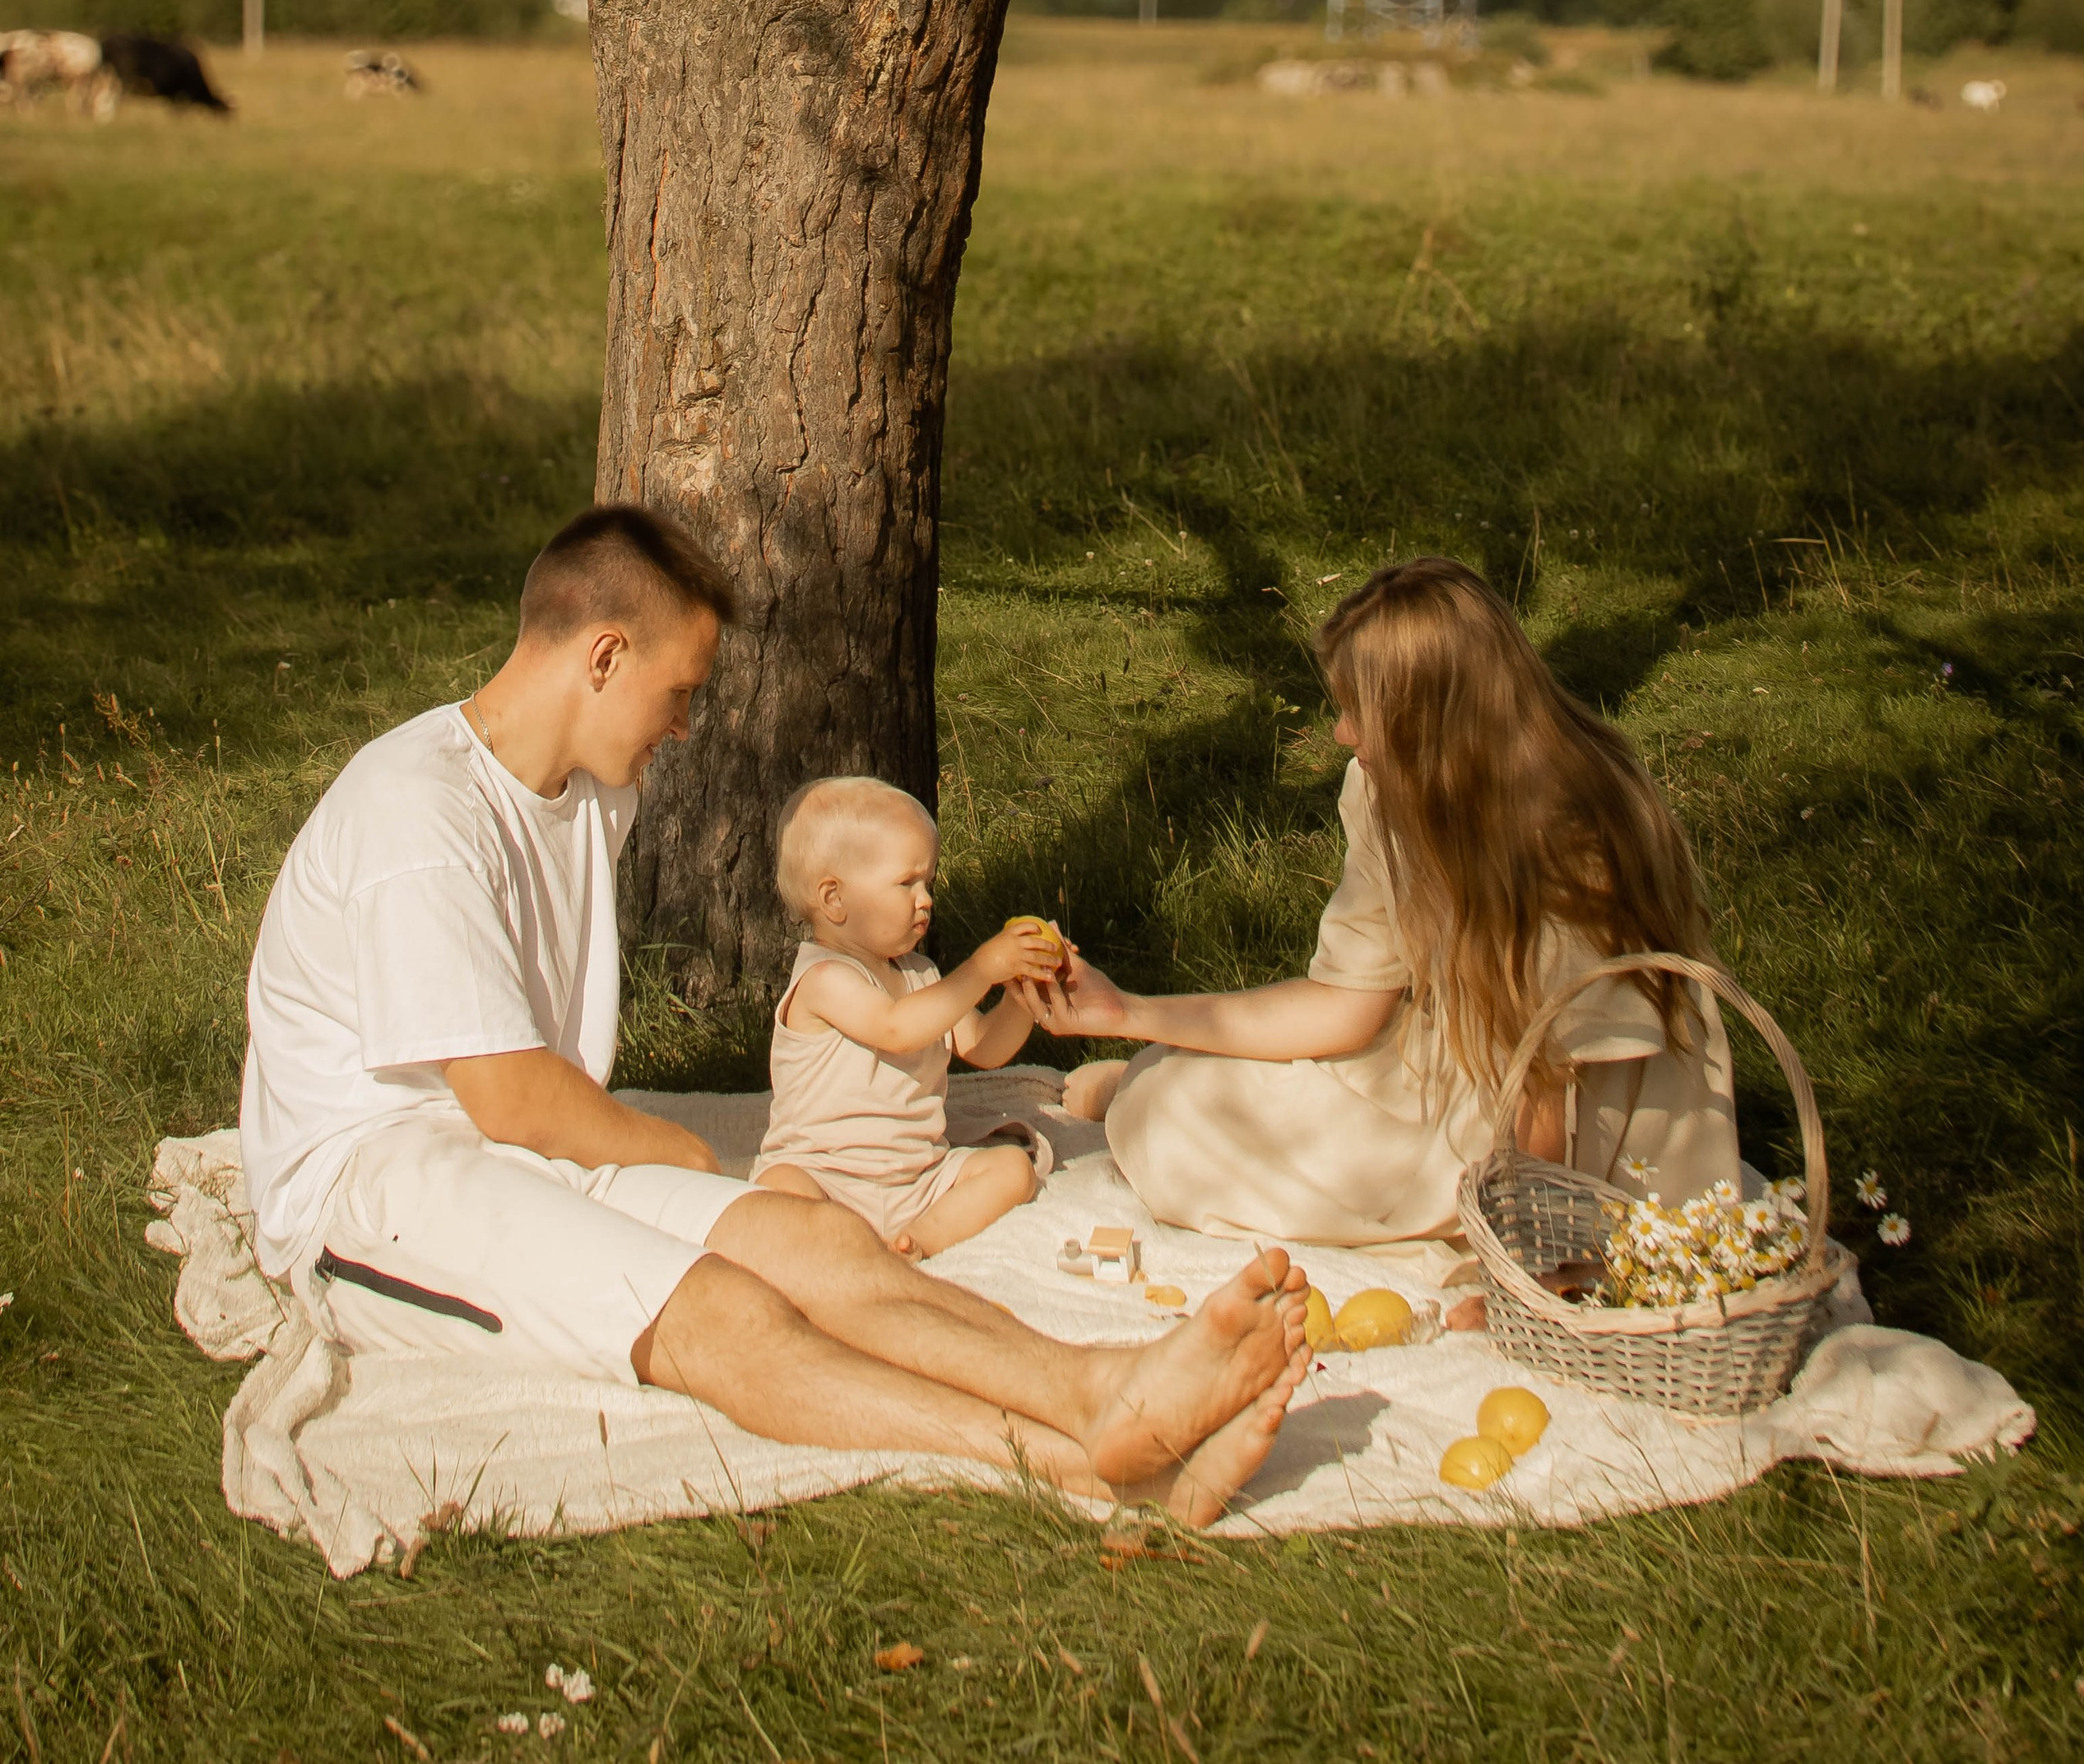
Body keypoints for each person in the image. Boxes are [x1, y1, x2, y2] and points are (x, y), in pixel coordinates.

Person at [237, 503, 1307, 1525]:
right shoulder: (417, 814)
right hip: (374, 1190)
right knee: (724, 1310)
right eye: (678, 690)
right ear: (603, 657)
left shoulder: (590, 791)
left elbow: (538, 1105)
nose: (687, 722)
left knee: (814, 1238)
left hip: (531, 1147)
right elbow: (511, 1098)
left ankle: (1099, 1388)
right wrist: (668, 1147)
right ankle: (1086, 1467)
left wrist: (664, 1163)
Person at [1040, 559, 1739, 1268]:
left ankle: (1467, 1218)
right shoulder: (1390, 786)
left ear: (1424, 718)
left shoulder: (1567, 826)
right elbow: (1347, 1004)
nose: (1342, 732)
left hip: (1586, 1116)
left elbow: (1550, 1084)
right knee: (1169, 1093)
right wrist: (1126, 1010)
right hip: (1465, 1059)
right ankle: (1137, 1080)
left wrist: (1523, 1265)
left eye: (1356, 709)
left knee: (1166, 1126)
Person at [750, 777, 1061, 1256]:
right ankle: (836, 1243)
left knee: (1013, 1170)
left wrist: (1019, 996)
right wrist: (982, 968)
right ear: (834, 899)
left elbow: (981, 1046)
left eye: (928, 882)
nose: (926, 899)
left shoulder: (922, 973)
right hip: (826, 1177)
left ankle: (918, 1241)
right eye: (906, 883)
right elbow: (896, 1028)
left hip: (916, 1177)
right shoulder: (823, 979)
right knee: (779, 1189)